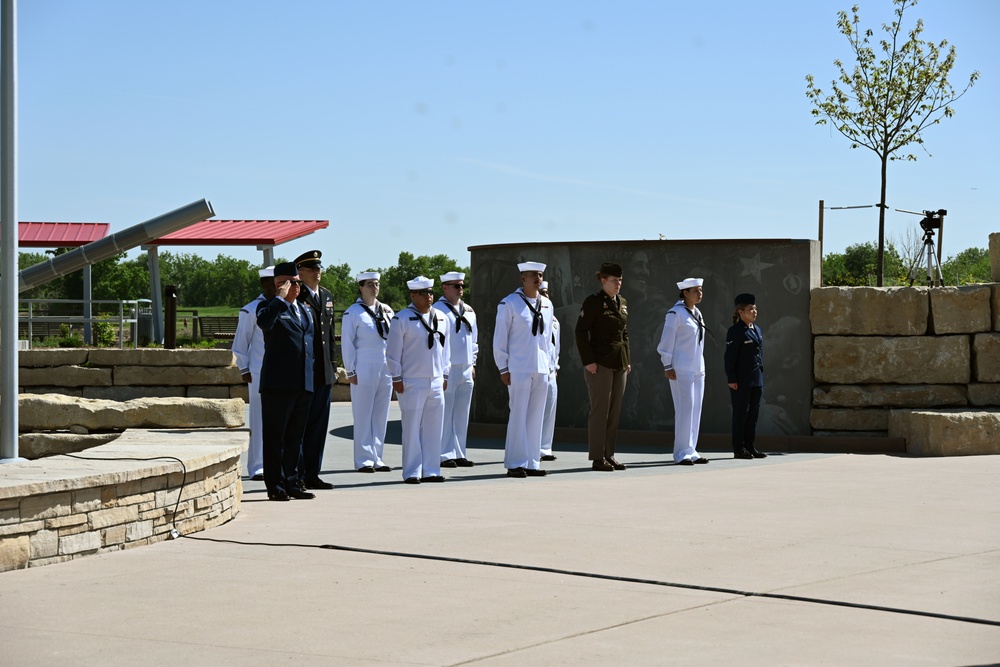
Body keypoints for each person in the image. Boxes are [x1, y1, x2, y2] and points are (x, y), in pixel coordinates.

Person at [256, 262, 316, 501]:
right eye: (285, 283)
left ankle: (292, 482)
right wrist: (279, 299)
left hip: (303, 382)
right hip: (278, 384)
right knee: (275, 438)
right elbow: (264, 324)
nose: (293, 288)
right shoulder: (267, 306)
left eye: (296, 282)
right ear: (276, 285)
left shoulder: (305, 310)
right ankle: (276, 485)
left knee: (295, 438)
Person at [386, 276, 450, 484]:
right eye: (423, 293)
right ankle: (412, 471)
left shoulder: (441, 317)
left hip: (436, 379)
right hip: (412, 380)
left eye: (430, 292)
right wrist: (396, 376)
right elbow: (393, 352)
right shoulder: (402, 318)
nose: (428, 296)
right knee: (412, 427)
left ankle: (431, 469)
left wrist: (445, 374)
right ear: (413, 295)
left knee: (434, 427)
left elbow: (446, 350)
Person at [493, 261, 553, 478]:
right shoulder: (509, 304)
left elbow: (547, 340)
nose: (538, 278)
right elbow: (500, 338)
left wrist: (549, 366)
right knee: (518, 414)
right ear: (522, 278)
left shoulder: (546, 304)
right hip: (518, 367)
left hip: (541, 367)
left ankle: (531, 462)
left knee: (536, 416)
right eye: (533, 275)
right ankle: (515, 462)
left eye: (540, 274)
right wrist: (503, 367)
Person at [575, 262, 630, 471]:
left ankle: (610, 454)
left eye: (620, 280)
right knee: (601, 411)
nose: (618, 284)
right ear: (603, 280)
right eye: (614, 280)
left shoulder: (622, 302)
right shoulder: (593, 302)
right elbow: (580, 332)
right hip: (600, 363)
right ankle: (598, 457)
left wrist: (628, 359)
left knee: (615, 411)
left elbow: (624, 332)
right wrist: (589, 361)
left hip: (619, 362)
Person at [341, 271, 395, 473]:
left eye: (377, 283)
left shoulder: (387, 310)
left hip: (385, 367)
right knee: (363, 414)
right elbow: (347, 344)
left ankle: (377, 457)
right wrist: (350, 369)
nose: (375, 287)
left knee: (381, 414)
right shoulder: (353, 312)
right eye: (370, 284)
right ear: (360, 287)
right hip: (364, 366)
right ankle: (364, 459)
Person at [294, 250, 336, 490]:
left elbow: (329, 337)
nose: (318, 272)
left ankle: (313, 474)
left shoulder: (327, 296)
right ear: (300, 272)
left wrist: (333, 365)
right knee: (301, 426)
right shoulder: (297, 298)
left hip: (324, 373)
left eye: (319, 268)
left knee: (319, 427)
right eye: (312, 269)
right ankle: (298, 474)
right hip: (306, 373)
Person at [657, 277, 709, 466]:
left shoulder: (697, 313)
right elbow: (666, 341)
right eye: (695, 291)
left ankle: (691, 449)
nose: (699, 294)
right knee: (684, 410)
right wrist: (668, 365)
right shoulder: (675, 313)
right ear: (685, 293)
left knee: (696, 410)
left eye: (701, 290)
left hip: (697, 368)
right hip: (681, 369)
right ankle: (681, 453)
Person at [232, 265, 276, 481]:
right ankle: (258, 465)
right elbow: (241, 342)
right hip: (259, 371)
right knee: (258, 419)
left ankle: (276, 463)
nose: (277, 287)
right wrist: (244, 368)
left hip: (282, 372)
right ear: (264, 284)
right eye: (273, 283)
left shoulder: (285, 306)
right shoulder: (251, 309)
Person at [433, 271, 478, 468]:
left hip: (466, 367)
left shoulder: (468, 310)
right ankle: (444, 453)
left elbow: (474, 339)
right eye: (456, 286)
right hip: (448, 368)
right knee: (445, 413)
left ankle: (460, 452)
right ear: (445, 287)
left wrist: (473, 362)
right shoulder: (437, 310)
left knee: (462, 413)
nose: (460, 289)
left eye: (462, 286)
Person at [725, 292, 767, 459]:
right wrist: (731, 378)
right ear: (741, 312)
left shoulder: (757, 329)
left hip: (756, 379)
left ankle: (750, 445)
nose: (754, 312)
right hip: (741, 380)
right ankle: (739, 448)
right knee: (741, 414)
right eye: (750, 309)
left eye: (755, 309)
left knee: (753, 414)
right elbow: (729, 357)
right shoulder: (735, 331)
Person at [538, 280, 559, 462]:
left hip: (551, 370)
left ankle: (545, 447)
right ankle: (532, 446)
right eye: (541, 291)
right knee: (535, 410)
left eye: (546, 292)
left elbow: (555, 346)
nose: (545, 295)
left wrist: (556, 365)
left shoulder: (554, 321)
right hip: (536, 368)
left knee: (550, 410)